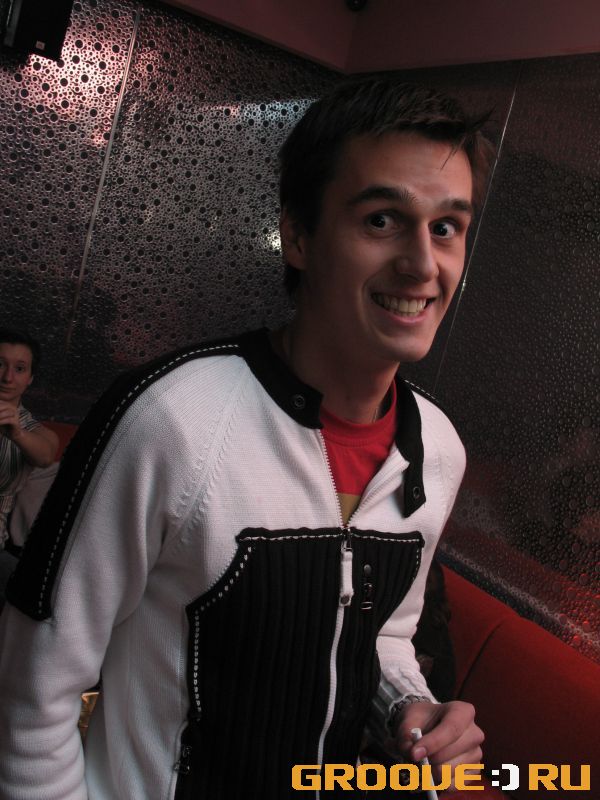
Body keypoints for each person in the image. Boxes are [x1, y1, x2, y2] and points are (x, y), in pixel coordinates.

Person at [0, 79, 493, 799]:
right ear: (298, 236)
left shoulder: (438, 450)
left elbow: (383, 634)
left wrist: (407, 707)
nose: (423, 264)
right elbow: (32, 694)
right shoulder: (171, 419)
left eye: (446, 227)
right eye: (383, 220)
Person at [0, 328, 58, 602]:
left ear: (30, 379)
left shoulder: (31, 431)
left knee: (34, 592)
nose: (7, 377)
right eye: (0, 364)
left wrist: (17, 434)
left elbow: (45, 455)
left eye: (20, 369)